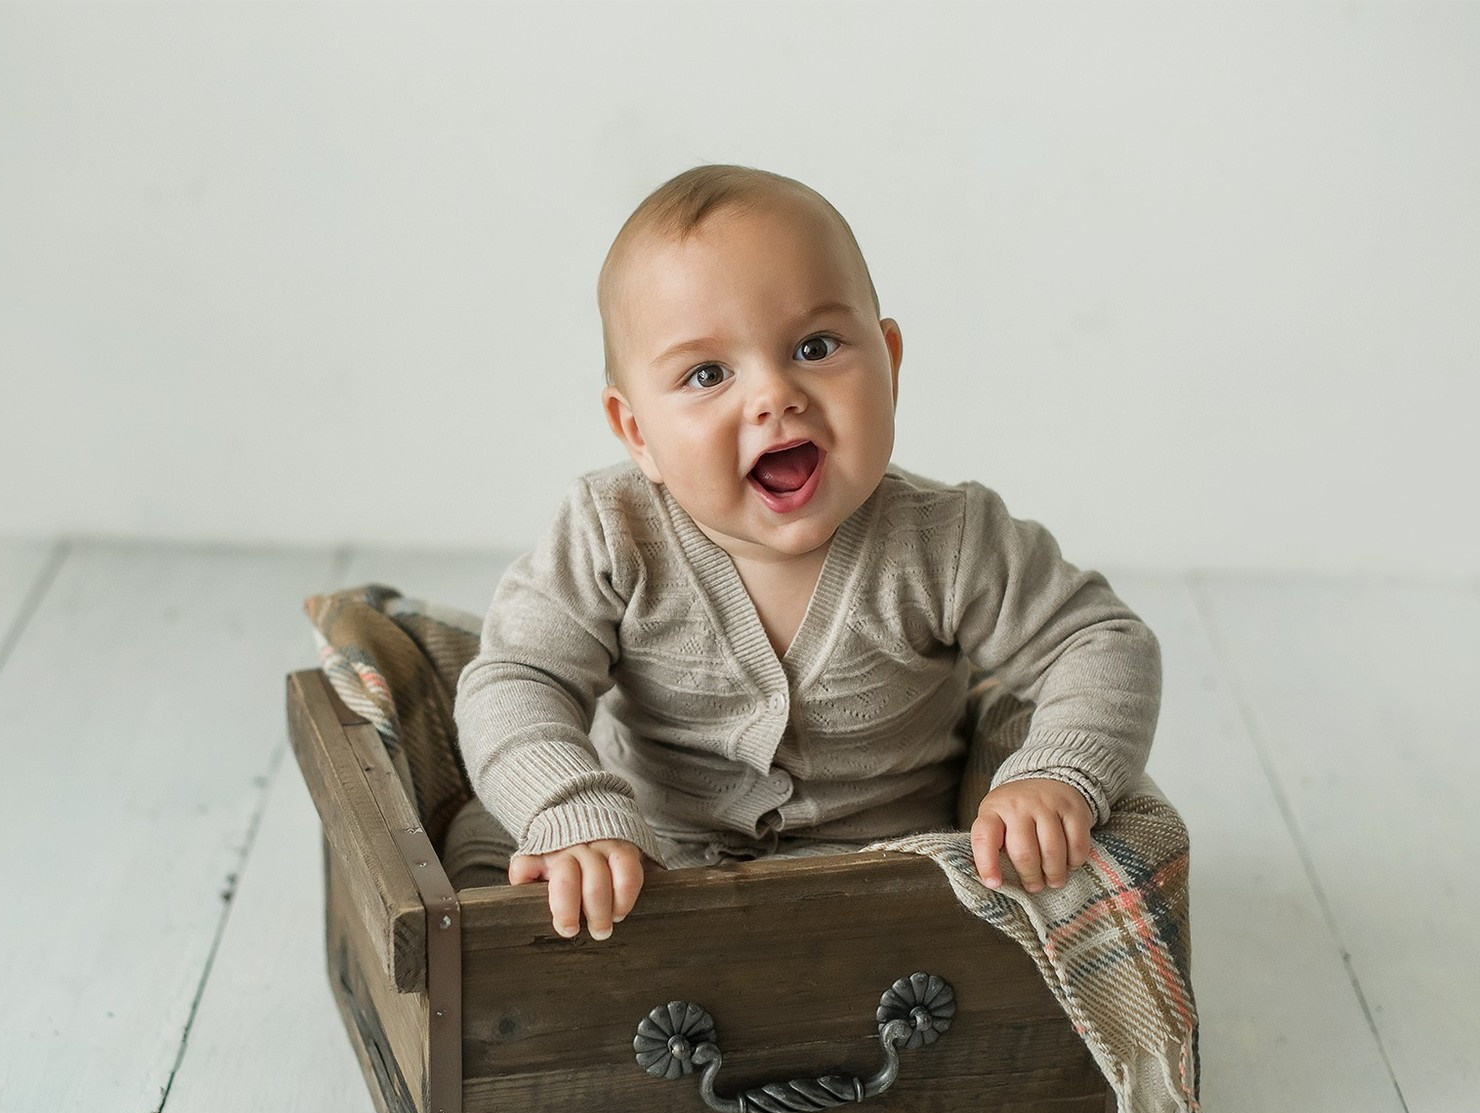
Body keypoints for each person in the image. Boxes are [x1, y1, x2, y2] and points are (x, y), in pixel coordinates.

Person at [449, 165, 1161, 942]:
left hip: (894, 890)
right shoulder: (612, 531)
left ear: (888, 363)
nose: (774, 395)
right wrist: (569, 810)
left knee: (1047, 883)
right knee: (483, 854)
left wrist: (1055, 773)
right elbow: (515, 677)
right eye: (707, 373)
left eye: (815, 346)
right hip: (648, 879)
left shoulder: (949, 539)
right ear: (637, 433)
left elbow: (1100, 641)